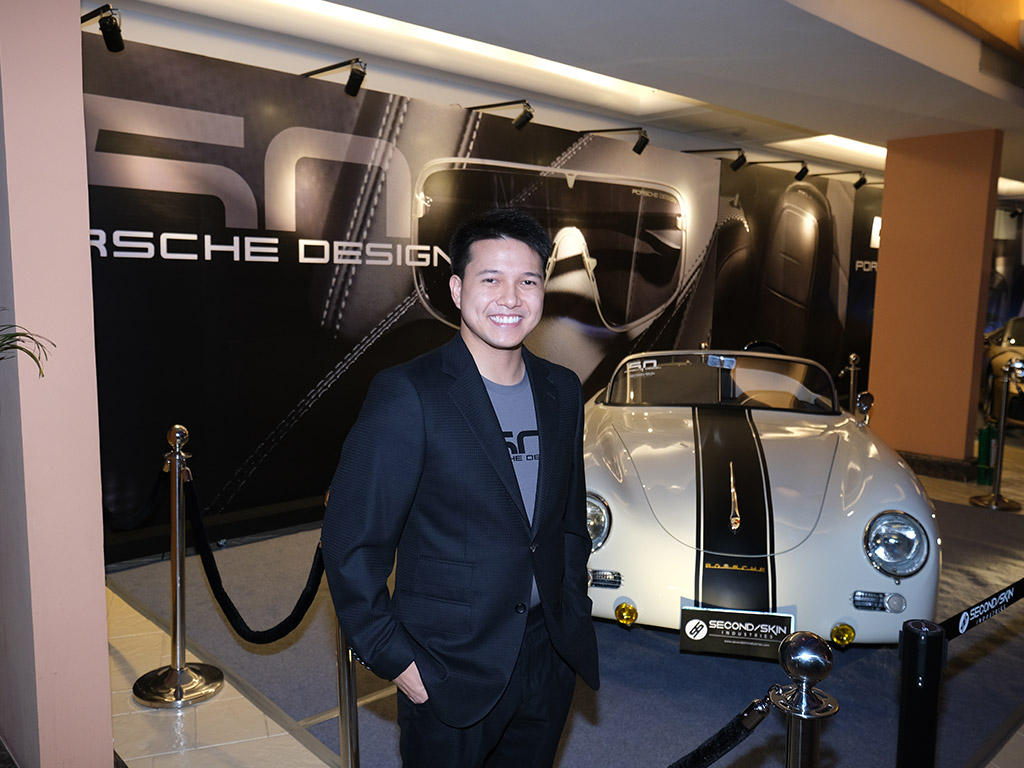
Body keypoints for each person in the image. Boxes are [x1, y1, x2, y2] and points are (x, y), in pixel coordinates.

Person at [321, 207, 600, 767]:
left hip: (548, 654)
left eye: (528, 281)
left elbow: (569, 521)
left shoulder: (563, 389)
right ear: (456, 289)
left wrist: (572, 606)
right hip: (447, 666)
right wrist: (398, 661)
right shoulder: (409, 393)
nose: (510, 298)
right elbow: (352, 544)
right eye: (490, 279)